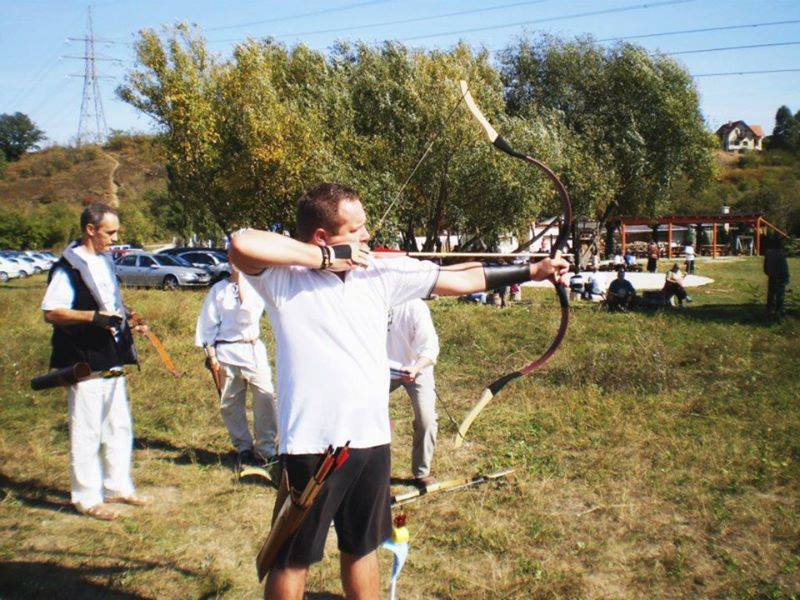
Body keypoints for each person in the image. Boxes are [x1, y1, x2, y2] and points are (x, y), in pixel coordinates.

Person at [229, 183, 569, 599]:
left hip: (371, 440)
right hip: (312, 445)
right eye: (355, 229)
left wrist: (532, 271)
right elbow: (242, 244)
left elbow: (460, 278)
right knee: (290, 557)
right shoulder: (284, 281)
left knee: (362, 547)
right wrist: (325, 259)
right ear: (321, 237)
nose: (366, 235)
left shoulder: (378, 275)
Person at [41, 203, 149, 521]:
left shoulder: (104, 261)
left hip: (111, 357)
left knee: (118, 424)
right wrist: (93, 318)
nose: (115, 239)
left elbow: (109, 301)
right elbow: (52, 312)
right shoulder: (67, 267)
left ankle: (117, 486)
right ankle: (86, 498)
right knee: (86, 429)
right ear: (90, 230)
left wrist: (129, 317)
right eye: (110, 232)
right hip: (84, 359)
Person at [195, 264, 278, 469]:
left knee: (265, 398)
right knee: (230, 403)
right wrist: (211, 355)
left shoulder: (257, 285)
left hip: (251, 348)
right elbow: (207, 324)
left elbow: (247, 314)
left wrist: (241, 278)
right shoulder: (218, 290)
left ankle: (266, 449)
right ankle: (243, 448)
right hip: (226, 350)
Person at [387, 298, 440, 486]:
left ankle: (421, 471)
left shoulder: (415, 306)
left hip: (417, 368)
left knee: (426, 419)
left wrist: (416, 368)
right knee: (365, 413)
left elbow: (430, 347)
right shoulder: (374, 300)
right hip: (383, 369)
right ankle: (368, 469)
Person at [764, 238, 790, 318]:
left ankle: (769, 310)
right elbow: (784, 267)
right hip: (780, 276)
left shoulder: (768, 253)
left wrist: (768, 273)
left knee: (771, 294)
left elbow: (765, 266)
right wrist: (786, 277)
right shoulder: (781, 254)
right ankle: (779, 310)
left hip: (772, 275)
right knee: (780, 294)